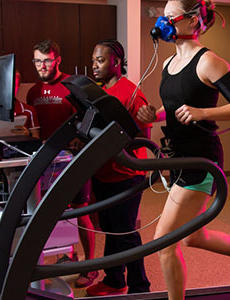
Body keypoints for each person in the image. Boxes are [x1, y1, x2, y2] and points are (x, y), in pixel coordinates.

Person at [137, 1, 230, 299]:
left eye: (170, 17)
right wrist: (155, 115)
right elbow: (172, 108)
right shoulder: (167, 64)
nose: (164, 22)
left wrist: (202, 113)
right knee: (193, 237)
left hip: (202, 161)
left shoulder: (208, 61)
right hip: (178, 159)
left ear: (192, 20)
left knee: (164, 243)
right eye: (163, 17)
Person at [26, 39, 97, 288]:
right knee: (50, 214)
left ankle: (90, 266)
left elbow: (91, 116)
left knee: (80, 212)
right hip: (47, 162)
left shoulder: (72, 86)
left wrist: (81, 138)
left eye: (47, 60)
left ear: (58, 60)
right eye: (38, 60)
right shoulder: (33, 92)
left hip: (73, 160)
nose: (42, 65)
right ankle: (71, 256)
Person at [85, 39, 151, 296]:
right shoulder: (100, 92)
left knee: (125, 233)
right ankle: (114, 280)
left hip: (127, 175)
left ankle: (140, 288)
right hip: (105, 173)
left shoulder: (132, 93)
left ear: (116, 62)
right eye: (93, 61)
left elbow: (142, 136)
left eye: (100, 60)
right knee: (111, 230)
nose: (95, 66)